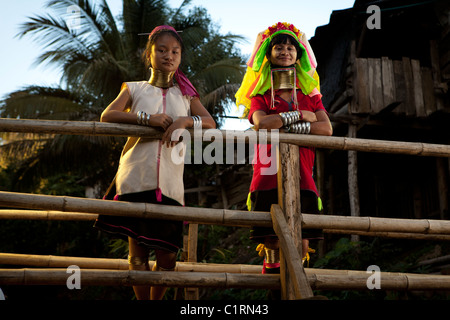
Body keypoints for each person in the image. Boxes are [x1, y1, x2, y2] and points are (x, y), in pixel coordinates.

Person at [94, 25, 216, 300]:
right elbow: (108, 115)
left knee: (168, 256)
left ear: (180, 57)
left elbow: (209, 122)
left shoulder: (186, 95)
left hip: (172, 184)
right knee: (137, 253)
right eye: (161, 50)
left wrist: (186, 120)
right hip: (135, 177)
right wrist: (145, 119)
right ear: (149, 55)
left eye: (174, 51)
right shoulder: (133, 89)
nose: (168, 56)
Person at [235, 22, 332, 274]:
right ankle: (273, 291)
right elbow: (262, 124)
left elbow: (326, 129)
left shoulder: (311, 95)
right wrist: (301, 116)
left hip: (303, 172)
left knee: (302, 239)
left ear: (298, 57)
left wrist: (282, 126)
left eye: (291, 47)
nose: (285, 51)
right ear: (268, 55)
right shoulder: (261, 96)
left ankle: (294, 282)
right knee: (271, 238)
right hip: (268, 172)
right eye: (278, 46)